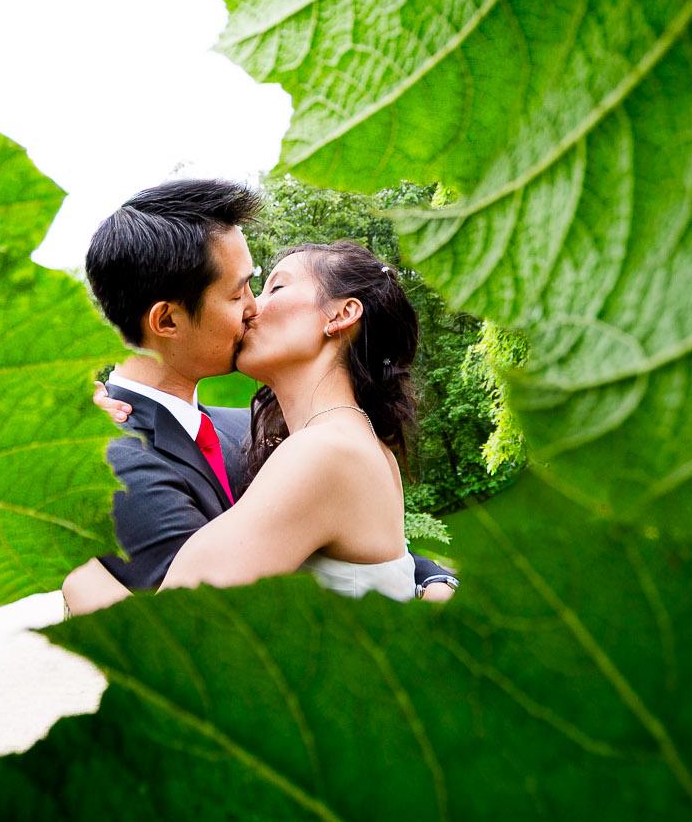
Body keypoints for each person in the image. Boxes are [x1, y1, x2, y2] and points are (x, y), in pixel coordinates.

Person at [62, 179, 456, 613]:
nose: (253, 307)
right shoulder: (115, 456)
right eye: (240, 292)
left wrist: (75, 571)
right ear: (167, 321)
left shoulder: (283, 439)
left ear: (342, 316)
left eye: (269, 287)